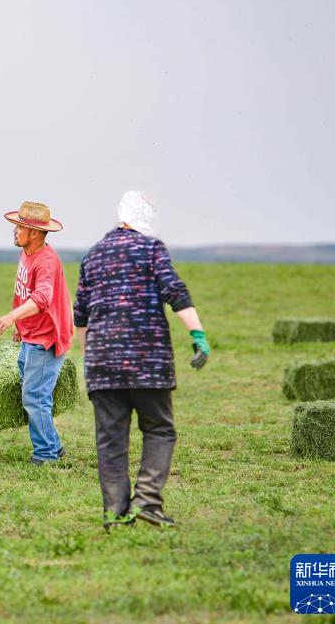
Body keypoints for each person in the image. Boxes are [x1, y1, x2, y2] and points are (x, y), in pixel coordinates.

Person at [73, 191, 210, 529]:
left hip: (102, 365)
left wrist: (89, 358)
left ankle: (115, 513)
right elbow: (175, 291)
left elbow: (80, 314)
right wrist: (197, 335)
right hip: (148, 363)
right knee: (159, 429)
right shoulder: (151, 248)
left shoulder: (92, 255)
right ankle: (147, 501)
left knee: (110, 440)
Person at [0, 201, 73, 465]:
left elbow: (42, 298)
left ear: (34, 232)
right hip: (32, 333)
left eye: (19, 227)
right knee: (33, 393)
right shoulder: (27, 253)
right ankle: (54, 446)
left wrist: (11, 317)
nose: (14, 231)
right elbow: (26, 294)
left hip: (46, 337)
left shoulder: (46, 261)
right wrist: (21, 326)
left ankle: (46, 454)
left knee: (35, 397)